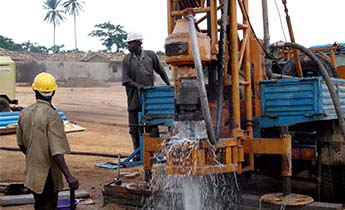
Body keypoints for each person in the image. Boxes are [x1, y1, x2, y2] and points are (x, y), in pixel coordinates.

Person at [17, 72, 79, 210]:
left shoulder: (24, 113)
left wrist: (35, 156)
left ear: (34, 89)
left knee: (39, 205)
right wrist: (68, 176)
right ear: (54, 92)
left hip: (33, 173)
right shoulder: (53, 116)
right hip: (47, 175)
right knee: (47, 206)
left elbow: (21, 144)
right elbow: (56, 151)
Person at [122, 32, 171, 161]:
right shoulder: (127, 59)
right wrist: (137, 85)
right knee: (134, 127)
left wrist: (169, 86)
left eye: (131, 43)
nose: (128, 45)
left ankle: (155, 151)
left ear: (138, 43)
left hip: (149, 99)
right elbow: (125, 80)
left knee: (152, 125)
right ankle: (138, 153)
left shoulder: (150, 55)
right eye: (128, 43)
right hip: (134, 99)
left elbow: (161, 71)